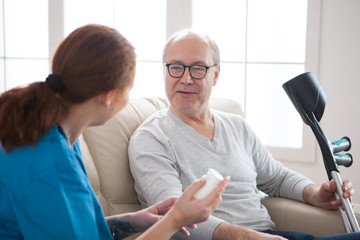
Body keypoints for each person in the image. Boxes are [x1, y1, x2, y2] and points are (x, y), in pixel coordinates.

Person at [0, 24, 229, 240]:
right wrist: (175, 219)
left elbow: (70, 226)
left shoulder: (60, 136)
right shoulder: (50, 165)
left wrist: (133, 221)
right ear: (109, 96)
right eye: (129, 90)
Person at [128, 29, 360, 240]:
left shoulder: (237, 126)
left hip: (268, 234)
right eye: (176, 67)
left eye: (198, 68)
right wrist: (245, 237)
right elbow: (173, 216)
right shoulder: (152, 138)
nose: (186, 79)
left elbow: (277, 178)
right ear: (165, 72)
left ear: (216, 75)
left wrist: (314, 193)